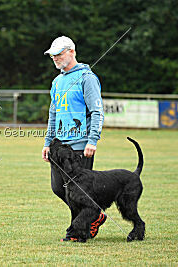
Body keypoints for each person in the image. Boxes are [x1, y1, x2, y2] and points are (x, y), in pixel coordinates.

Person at [41, 36, 105, 241]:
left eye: (59, 53)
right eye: (53, 55)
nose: (55, 58)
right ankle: (94, 213)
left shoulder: (87, 78)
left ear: (72, 52)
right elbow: (53, 113)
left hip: (80, 146)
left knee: (78, 192)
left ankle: (78, 232)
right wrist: (47, 143)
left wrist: (92, 140)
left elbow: (97, 111)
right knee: (59, 188)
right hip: (59, 146)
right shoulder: (57, 81)